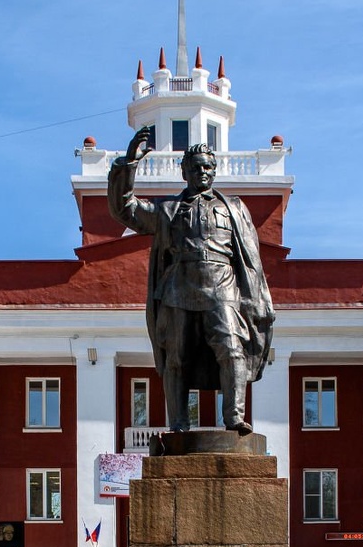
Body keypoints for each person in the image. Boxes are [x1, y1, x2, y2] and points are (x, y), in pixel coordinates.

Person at [107, 125, 273, 433]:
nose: (203, 172)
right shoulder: (169, 209)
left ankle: (234, 418)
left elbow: (250, 261)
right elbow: (125, 209)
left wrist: (257, 299)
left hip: (223, 285)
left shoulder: (233, 208)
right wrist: (129, 163)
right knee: (176, 356)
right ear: (184, 171)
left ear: (215, 170)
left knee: (232, 348)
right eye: (196, 167)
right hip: (178, 287)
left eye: (208, 167)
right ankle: (179, 425)